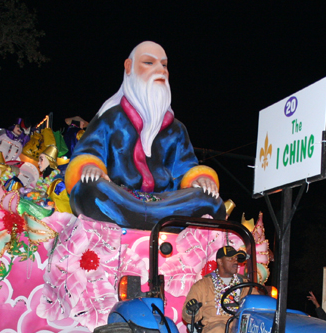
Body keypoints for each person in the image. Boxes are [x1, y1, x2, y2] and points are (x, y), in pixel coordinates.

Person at [64, 41, 225, 229]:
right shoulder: (110, 118)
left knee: (211, 201)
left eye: (164, 65)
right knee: (88, 190)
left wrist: (198, 179)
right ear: (129, 67)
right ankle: (157, 222)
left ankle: (143, 220)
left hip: (165, 202)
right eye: (149, 63)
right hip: (119, 195)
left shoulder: (177, 129)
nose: (160, 70)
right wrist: (91, 166)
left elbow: (185, 167)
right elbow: (90, 150)